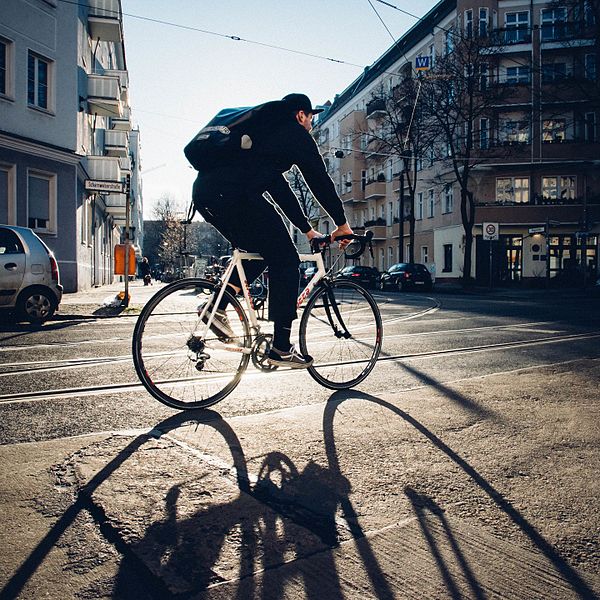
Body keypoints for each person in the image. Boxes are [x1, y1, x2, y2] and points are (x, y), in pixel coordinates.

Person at [192, 93, 353, 368]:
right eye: (311, 117)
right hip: (233, 196)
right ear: (301, 115)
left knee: (258, 251)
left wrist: (307, 230)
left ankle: (215, 307)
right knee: (287, 259)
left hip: (206, 194)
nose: (312, 124)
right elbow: (318, 178)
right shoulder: (294, 133)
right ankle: (281, 347)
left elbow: (280, 190)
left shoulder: (266, 139)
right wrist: (342, 224)